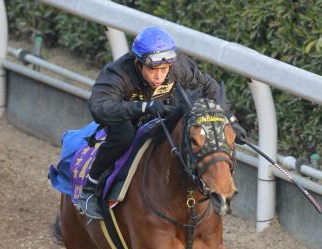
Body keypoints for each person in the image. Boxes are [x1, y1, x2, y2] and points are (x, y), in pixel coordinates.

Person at [75, 26, 247, 219]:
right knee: (124, 136)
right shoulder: (118, 73)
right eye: (152, 69)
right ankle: (90, 190)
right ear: (137, 62)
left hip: (162, 108)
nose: (159, 76)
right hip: (124, 115)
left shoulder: (178, 66)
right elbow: (99, 107)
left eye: (164, 69)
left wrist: (230, 121)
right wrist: (142, 108)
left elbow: (209, 86)